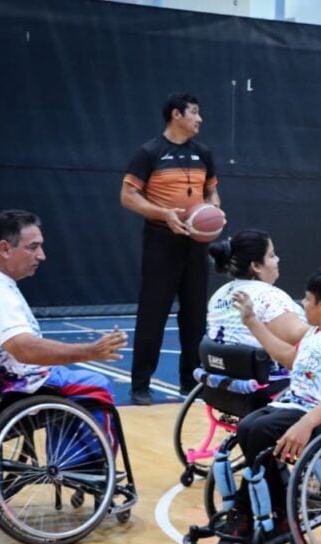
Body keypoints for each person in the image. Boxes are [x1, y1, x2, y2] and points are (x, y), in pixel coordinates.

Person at [214, 264, 321, 544]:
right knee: (248, 427)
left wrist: (307, 423)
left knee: (259, 432)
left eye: (307, 299)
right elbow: (288, 357)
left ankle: (249, 513)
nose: (303, 303)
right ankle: (271, 508)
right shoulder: (315, 333)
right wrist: (252, 322)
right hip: (295, 406)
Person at [0, 210, 127, 441]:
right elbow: (25, 350)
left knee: (65, 377)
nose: (41, 256)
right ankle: (84, 472)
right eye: (33, 247)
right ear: (5, 249)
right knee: (95, 385)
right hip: (9, 389)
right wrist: (91, 351)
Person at [120, 92, 220, 405]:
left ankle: (190, 383)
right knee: (153, 314)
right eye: (194, 112)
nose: (199, 119)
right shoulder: (149, 152)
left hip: (195, 244)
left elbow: (213, 194)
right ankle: (140, 386)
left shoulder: (203, 152)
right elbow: (127, 196)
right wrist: (164, 214)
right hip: (162, 241)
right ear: (176, 115)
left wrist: (214, 214)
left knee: (195, 315)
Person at [205, 229, 321, 388]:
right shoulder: (267, 297)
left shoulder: (219, 295)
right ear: (256, 265)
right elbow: (303, 338)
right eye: (271, 255)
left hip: (226, 380)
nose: (277, 260)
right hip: (267, 384)